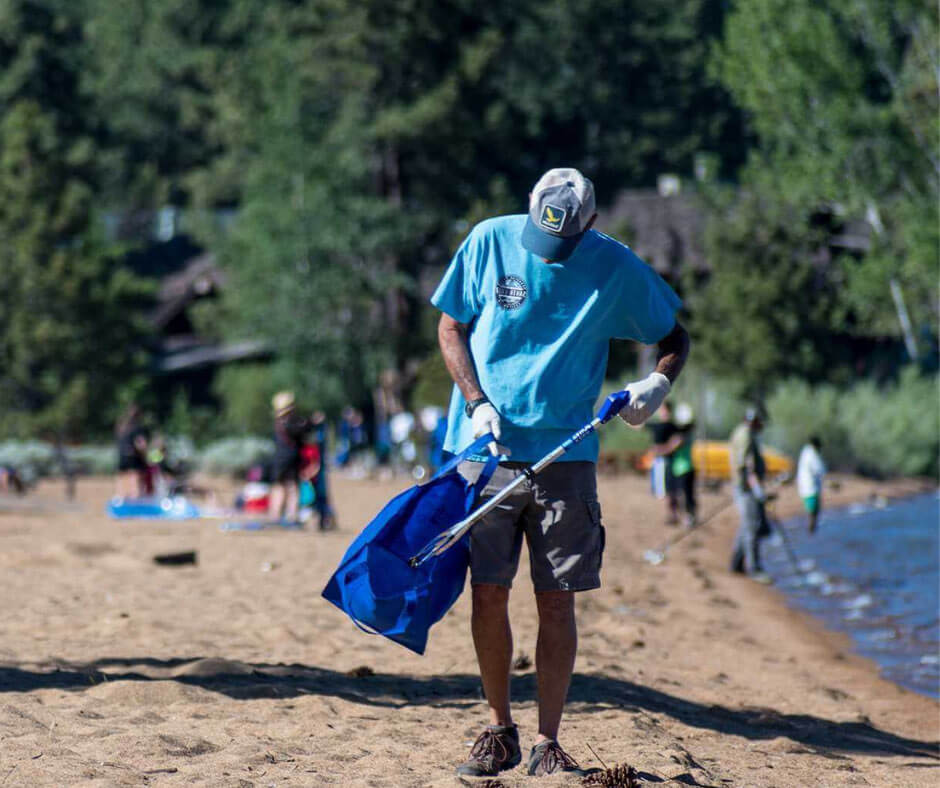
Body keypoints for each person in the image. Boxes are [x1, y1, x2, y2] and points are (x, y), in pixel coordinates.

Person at [432, 167, 689, 778]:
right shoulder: (489, 241)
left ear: (591, 225)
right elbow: (450, 326)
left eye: (564, 244)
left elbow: (673, 334)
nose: (549, 257)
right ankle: (499, 730)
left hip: (567, 457)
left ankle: (548, 742)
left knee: (557, 603)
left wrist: (657, 382)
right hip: (486, 449)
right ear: (528, 210)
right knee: (487, 594)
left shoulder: (615, 265)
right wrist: (476, 402)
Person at [729, 406, 772, 582]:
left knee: (746, 526)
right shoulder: (746, 435)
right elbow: (747, 466)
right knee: (752, 527)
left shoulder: (741, 432)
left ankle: (736, 564)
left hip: (744, 487)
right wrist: (758, 490)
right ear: (754, 421)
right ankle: (754, 568)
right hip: (746, 489)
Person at [269, 391, 309, 522]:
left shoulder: (278, 422)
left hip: (280, 458)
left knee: (279, 486)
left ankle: (275, 515)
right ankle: (291, 516)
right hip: (290, 458)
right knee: (291, 487)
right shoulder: (292, 422)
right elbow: (303, 432)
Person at [645, 400, 680, 524]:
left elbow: (677, 442)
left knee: (669, 489)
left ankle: (673, 515)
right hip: (658, 461)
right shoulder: (656, 425)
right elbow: (637, 426)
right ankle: (671, 515)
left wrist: (662, 450)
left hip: (667, 461)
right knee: (663, 489)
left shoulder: (673, 426)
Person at [671, 402, 698, 527]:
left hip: (684, 468)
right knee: (687, 495)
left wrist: (661, 449)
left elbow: (674, 446)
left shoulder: (683, 436)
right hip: (683, 468)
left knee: (686, 495)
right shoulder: (686, 434)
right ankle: (689, 516)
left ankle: (689, 517)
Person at [115, 403, 149, 498]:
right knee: (135, 486)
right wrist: (145, 457)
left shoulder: (121, 427)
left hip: (122, 458)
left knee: (122, 485)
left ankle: (121, 501)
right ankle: (136, 503)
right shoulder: (138, 428)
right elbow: (141, 445)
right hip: (133, 459)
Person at [797, 435, 826, 534]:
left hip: (806, 487)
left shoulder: (806, 452)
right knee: (813, 512)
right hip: (810, 488)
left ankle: (811, 531)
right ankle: (811, 532)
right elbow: (820, 469)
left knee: (812, 511)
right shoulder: (812, 454)